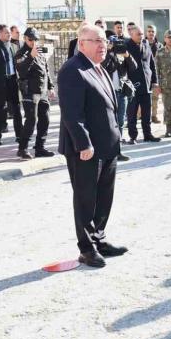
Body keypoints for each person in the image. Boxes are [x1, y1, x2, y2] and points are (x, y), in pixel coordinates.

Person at [58, 24, 128, 268]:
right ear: (81, 43)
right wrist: (83, 143)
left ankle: (99, 239)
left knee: (104, 196)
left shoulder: (99, 68)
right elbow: (71, 113)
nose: (102, 45)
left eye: (104, 41)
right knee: (86, 199)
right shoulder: (73, 70)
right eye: (96, 41)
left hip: (107, 146)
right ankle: (87, 249)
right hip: (86, 150)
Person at [14, 27, 54, 159]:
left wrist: (50, 87)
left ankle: (40, 148)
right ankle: (23, 148)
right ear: (25, 39)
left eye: (35, 39)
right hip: (29, 91)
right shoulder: (21, 53)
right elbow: (21, 70)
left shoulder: (39, 52)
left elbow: (45, 70)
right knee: (31, 120)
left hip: (42, 91)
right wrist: (31, 56)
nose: (33, 42)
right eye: (31, 39)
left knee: (45, 119)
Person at [124, 25, 161, 144]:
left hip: (146, 84)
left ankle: (147, 134)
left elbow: (151, 64)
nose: (141, 36)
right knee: (132, 112)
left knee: (146, 112)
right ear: (131, 35)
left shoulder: (146, 44)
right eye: (138, 34)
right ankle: (133, 136)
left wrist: (155, 81)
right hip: (133, 84)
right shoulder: (126, 46)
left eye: (141, 34)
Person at [146, 24, 161, 124]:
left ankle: (154, 116)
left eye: (153, 31)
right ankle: (141, 115)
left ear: (155, 33)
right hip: (145, 75)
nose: (151, 33)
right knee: (144, 97)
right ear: (146, 33)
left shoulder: (159, 46)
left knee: (155, 98)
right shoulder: (142, 43)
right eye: (149, 31)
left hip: (156, 75)